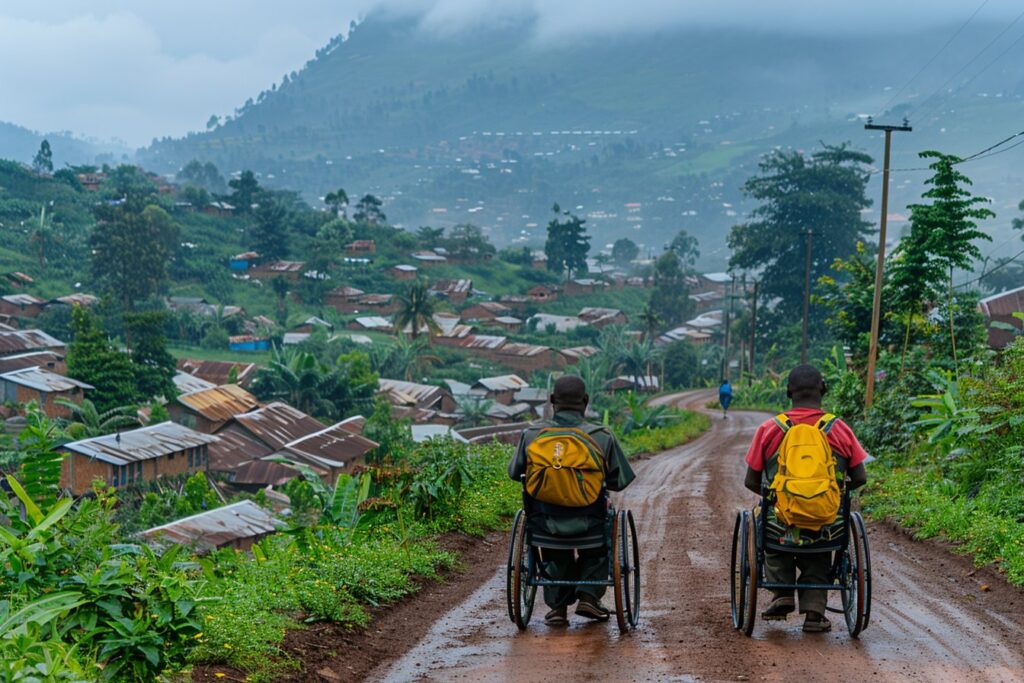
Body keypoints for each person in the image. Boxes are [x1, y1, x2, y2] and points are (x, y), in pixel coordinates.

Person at [742, 364, 868, 633]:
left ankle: (782, 592)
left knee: (765, 523)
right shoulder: (839, 429)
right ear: (823, 389)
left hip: (781, 523)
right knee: (820, 549)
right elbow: (860, 477)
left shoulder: (769, 429)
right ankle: (814, 613)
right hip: (827, 524)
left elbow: (751, 481)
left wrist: (780, 497)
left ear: (788, 391)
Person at [508, 375, 635, 626]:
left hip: (544, 523)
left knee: (553, 551)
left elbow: (515, 473)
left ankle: (557, 607)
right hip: (590, 524)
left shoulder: (532, 435)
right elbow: (619, 481)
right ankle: (588, 595)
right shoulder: (602, 436)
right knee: (602, 532)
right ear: (585, 401)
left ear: (553, 401)